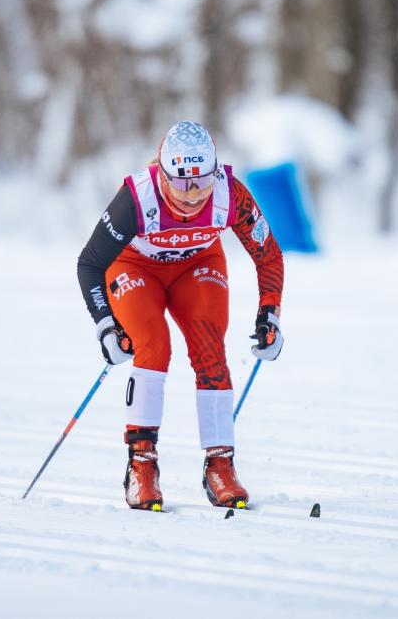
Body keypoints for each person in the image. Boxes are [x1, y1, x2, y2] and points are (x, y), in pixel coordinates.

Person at [76, 120, 284, 510]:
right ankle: (141, 465)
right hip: (136, 266)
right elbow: (89, 263)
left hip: (198, 263)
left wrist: (269, 313)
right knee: (153, 345)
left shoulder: (229, 193)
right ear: (163, 172)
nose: (192, 193)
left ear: (215, 171)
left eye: (202, 181)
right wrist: (106, 324)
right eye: (182, 182)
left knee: (210, 348)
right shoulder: (138, 197)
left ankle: (220, 465)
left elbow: (267, 252)